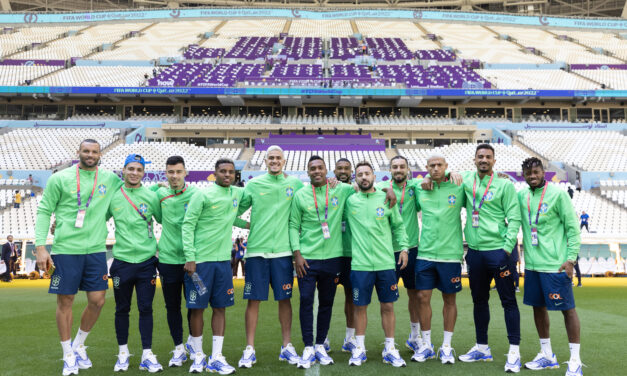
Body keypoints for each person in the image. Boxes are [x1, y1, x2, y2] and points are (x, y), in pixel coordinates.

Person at [35, 139, 123, 376]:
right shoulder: (60, 179)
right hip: (65, 250)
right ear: (79, 152)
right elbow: (44, 211)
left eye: (94, 151)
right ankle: (67, 355)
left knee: (98, 300)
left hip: (95, 250)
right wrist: (41, 247)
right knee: (65, 302)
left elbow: (131, 192)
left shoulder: (110, 179)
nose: (90, 155)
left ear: (100, 154)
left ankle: (78, 345)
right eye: (86, 151)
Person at [236, 145, 304, 368]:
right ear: (265, 161)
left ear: (284, 161)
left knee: (284, 299)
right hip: (256, 251)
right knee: (253, 300)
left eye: (278, 158)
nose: (274, 161)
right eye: (270, 158)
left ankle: (286, 346)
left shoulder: (294, 184)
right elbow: (232, 211)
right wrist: (248, 224)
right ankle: (249, 349)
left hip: (284, 253)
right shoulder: (254, 184)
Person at [518, 157, 584, 376]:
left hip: (556, 265)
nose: (532, 176)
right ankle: (547, 355)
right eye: (528, 173)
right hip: (533, 266)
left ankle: (575, 360)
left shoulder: (557, 194)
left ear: (543, 172)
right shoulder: (522, 196)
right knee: (538, 308)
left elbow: (573, 229)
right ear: (523, 175)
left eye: (536, 172)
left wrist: (571, 259)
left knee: (567, 310)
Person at [289, 156, 355, 368]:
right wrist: (297, 254)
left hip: (333, 259)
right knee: (306, 301)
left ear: (327, 170)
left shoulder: (340, 189)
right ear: (307, 172)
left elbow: (367, 186)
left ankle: (320, 344)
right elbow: (293, 225)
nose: (317, 171)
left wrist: (387, 190)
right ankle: (308, 346)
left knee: (326, 303)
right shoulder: (300, 195)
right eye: (312, 168)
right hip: (307, 259)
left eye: (320, 168)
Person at [182, 158, 245, 374]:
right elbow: (188, 224)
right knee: (197, 307)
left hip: (222, 262)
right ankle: (198, 355)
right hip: (200, 262)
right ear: (215, 173)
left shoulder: (237, 194)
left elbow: (232, 217)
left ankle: (216, 356)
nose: (227, 175)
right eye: (223, 171)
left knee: (220, 307)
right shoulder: (202, 194)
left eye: (231, 172)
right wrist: (190, 257)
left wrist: (252, 224)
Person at [344, 161, 409, 367]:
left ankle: (390, 348)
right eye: (360, 174)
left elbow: (398, 227)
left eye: (367, 173)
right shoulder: (350, 201)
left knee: (388, 306)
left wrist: (405, 248)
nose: (364, 177)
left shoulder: (386, 198)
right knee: (359, 307)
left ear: (374, 176)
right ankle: (359, 348)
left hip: (385, 264)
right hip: (360, 265)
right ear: (355, 178)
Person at [108, 154, 162, 372]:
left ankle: (147, 354)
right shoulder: (112, 196)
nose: (134, 173)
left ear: (143, 173)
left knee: (146, 308)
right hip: (121, 261)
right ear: (123, 170)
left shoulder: (150, 196)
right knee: (121, 309)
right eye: (131, 168)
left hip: (146, 262)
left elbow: (165, 219)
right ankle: (123, 353)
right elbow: (93, 218)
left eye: (139, 170)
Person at [413, 154, 465, 364]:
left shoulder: (458, 185)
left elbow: (481, 176)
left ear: (446, 167)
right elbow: (393, 185)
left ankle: (446, 346)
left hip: (450, 255)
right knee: (422, 297)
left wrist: (455, 174)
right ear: (426, 167)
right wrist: (424, 178)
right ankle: (426, 345)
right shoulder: (419, 187)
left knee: (449, 299)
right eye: (431, 166)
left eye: (439, 165)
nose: (435, 169)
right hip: (425, 252)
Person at [149, 155, 198, 367]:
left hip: (192, 260)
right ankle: (178, 348)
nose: (175, 176)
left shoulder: (196, 194)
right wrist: (156, 186)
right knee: (172, 307)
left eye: (178, 172)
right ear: (165, 173)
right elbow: (157, 215)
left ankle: (194, 343)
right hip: (168, 260)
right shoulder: (160, 194)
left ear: (185, 173)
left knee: (195, 305)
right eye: (170, 172)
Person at [375, 155, 423, 353]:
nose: (398, 169)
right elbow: (360, 186)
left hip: (410, 248)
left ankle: (414, 336)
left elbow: (435, 179)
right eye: (395, 167)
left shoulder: (415, 187)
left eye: (402, 166)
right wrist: (387, 189)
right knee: (387, 299)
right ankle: (390, 341)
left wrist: (448, 173)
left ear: (408, 169)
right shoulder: (380, 188)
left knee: (416, 294)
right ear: (390, 170)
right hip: (387, 251)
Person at [332, 157, 358, 352]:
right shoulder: (328, 188)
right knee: (326, 297)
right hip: (331, 252)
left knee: (351, 297)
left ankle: (350, 338)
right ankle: (322, 338)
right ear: (334, 171)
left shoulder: (357, 190)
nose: (343, 171)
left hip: (351, 253)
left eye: (346, 168)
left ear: (351, 171)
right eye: (340, 168)